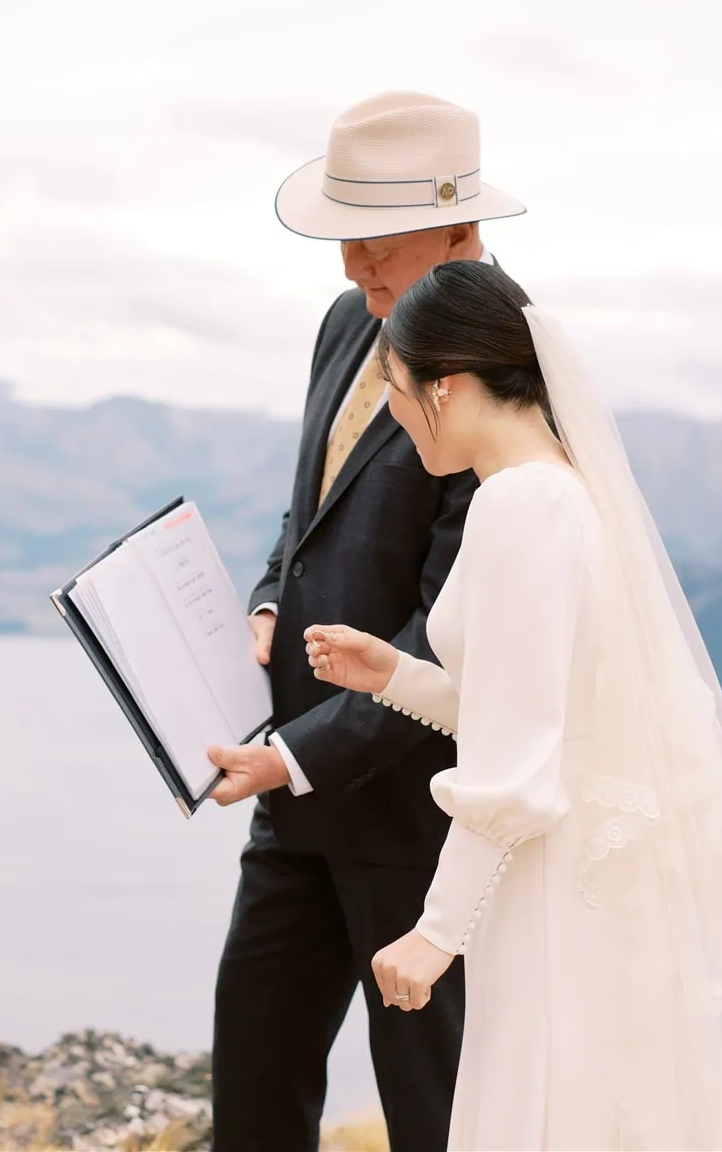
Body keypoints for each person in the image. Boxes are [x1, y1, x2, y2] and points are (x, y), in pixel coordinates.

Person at [304, 260, 722, 1149]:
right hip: (584, 869)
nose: (393, 411)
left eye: (396, 387)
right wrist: (394, 673)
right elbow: (535, 707)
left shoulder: (519, 506)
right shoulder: (557, 490)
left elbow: (516, 763)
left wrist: (433, 935)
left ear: (449, 386)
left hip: (553, 883)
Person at [202, 91, 526, 1150]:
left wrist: (292, 756)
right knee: (252, 1086)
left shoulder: (503, 364)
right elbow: (314, 507)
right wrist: (264, 596)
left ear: (459, 230)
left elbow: (453, 636)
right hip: (293, 805)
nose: (353, 268)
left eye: (376, 241)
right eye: (344, 237)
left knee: (431, 1113)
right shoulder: (348, 323)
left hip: (414, 820)